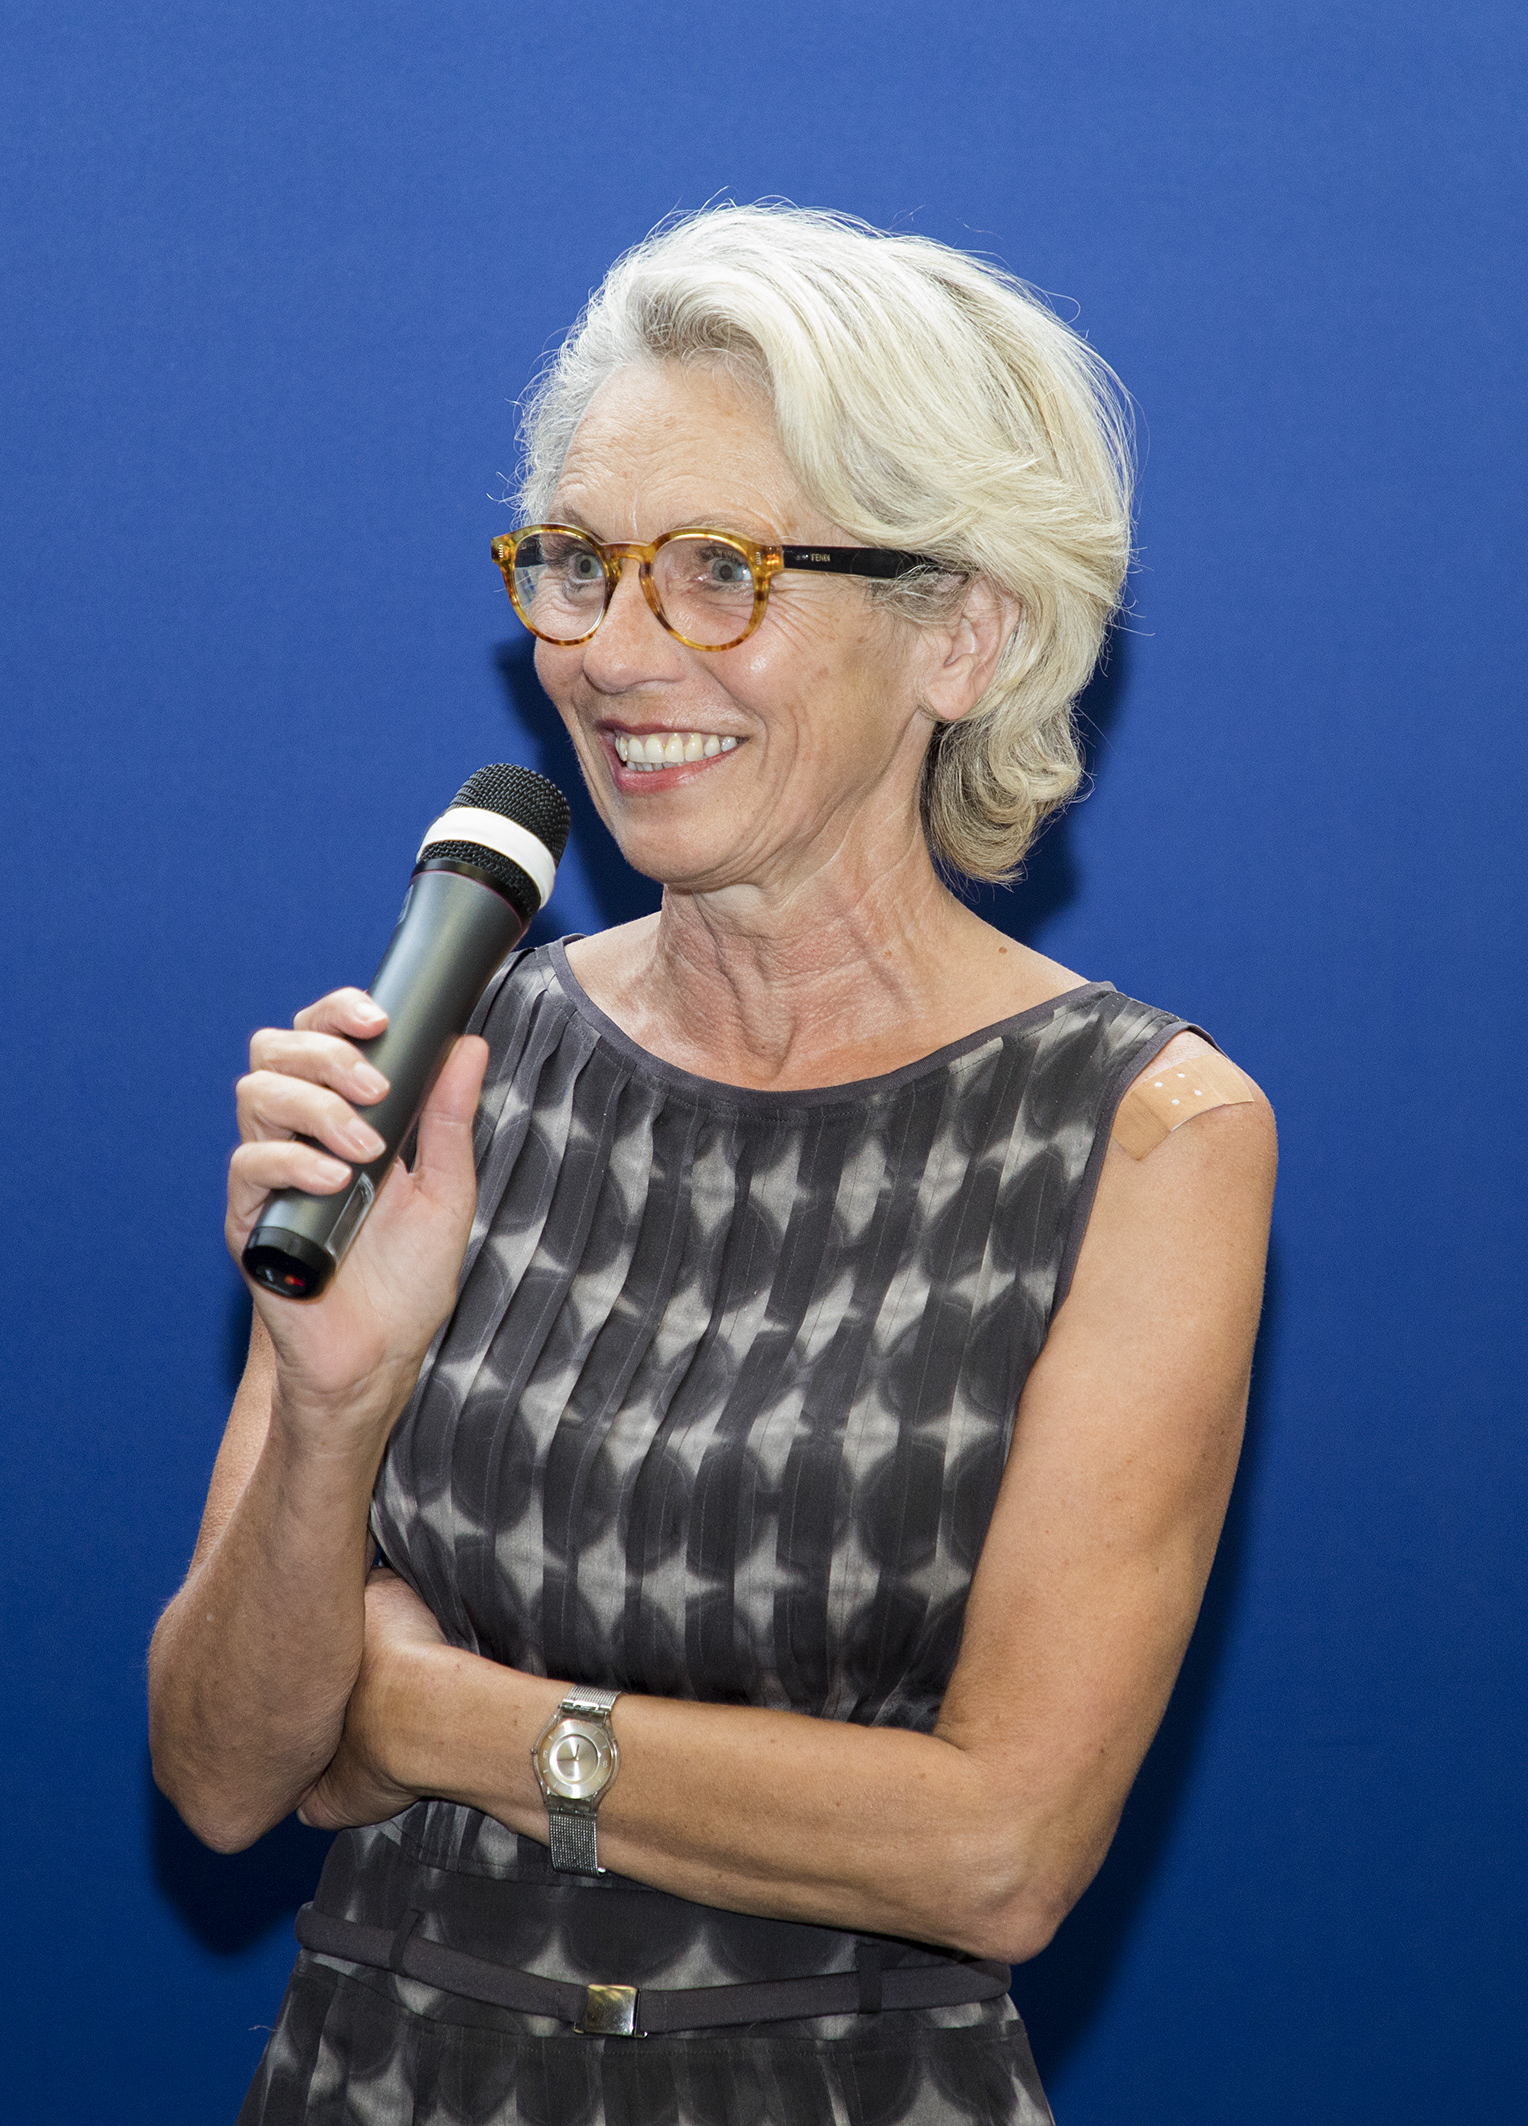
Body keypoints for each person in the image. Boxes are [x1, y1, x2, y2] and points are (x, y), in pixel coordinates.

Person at [148, 204, 1276, 2126]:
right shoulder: (449, 1060)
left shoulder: (1143, 1132)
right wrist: (329, 1408)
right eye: (579, 565)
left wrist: (439, 1715)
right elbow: (228, 1770)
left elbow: (999, 1849)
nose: (608, 652)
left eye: (717, 573)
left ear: (964, 630)